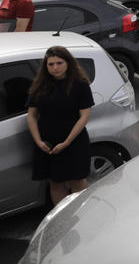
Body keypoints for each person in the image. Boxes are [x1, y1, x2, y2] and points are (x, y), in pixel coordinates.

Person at [26, 46, 95, 206]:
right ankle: (64, 219)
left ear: (68, 63)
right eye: (50, 64)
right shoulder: (40, 85)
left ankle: (83, 214)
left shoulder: (80, 85)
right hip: (47, 144)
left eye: (59, 63)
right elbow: (32, 115)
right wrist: (38, 141)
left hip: (73, 142)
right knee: (55, 183)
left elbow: (84, 116)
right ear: (46, 65)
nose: (55, 68)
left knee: (77, 181)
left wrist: (67, 143)